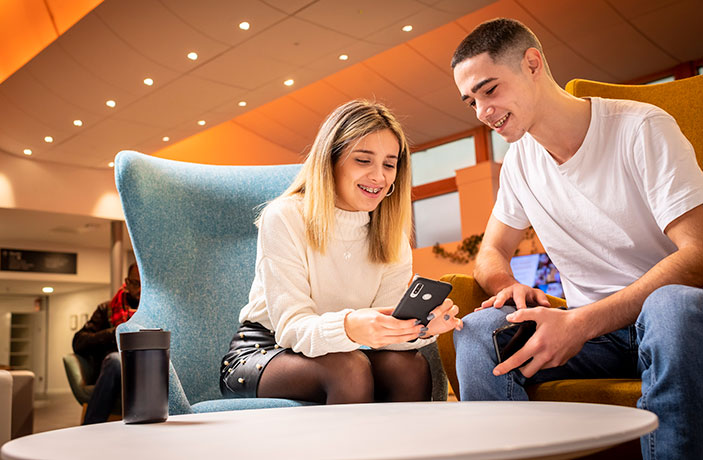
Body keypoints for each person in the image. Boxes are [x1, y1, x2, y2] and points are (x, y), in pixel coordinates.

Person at [450, 18, 703, 459]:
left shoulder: (641, 128)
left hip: (663, 323)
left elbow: (697, 255)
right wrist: (505, 285)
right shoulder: (520, 163)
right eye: (471, 101)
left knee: (673, 306)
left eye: (490, 90)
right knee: (477, 331)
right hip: (593, 341)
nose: (482, 112)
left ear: (533, 63)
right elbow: (490, 251)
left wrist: (580, 324)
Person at [219, 100, 463, 404]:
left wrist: (421, 329)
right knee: (349, 369)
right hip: (265, 350)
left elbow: (382, 338)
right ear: (330, 160)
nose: (379, 176)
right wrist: (350, 326)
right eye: (363, 160)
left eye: (389, 164)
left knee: (407, 366)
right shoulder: (284, 217)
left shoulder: (392, 238)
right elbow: (291, 328)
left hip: (348, 350)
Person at [73, 262, 141, 424]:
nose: (140, 289)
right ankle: (91, 428)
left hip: (146, 366)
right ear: (127, 282)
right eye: (136, 284)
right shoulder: (107, 309)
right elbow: (79, 341)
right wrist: (115, 333)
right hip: (116, 370)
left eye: (144, 284)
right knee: (115, 360)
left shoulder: (154, 309)